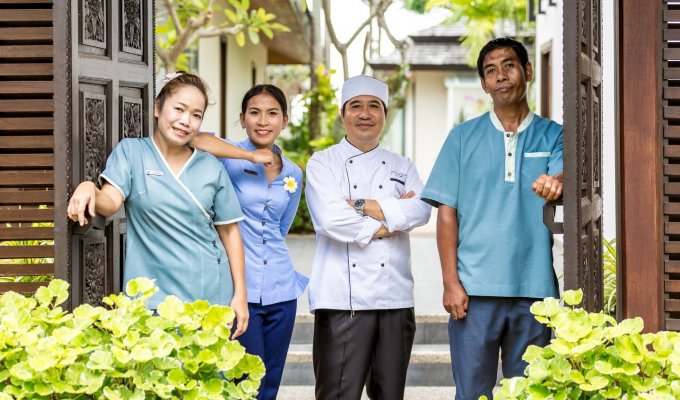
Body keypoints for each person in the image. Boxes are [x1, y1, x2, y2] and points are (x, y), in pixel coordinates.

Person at [421, 37, 564, 400]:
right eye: (490, 70)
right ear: (484, 84)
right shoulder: (462, 137)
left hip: (534, 291)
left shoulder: (554, 134)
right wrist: (450, 282)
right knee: (471, 394)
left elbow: (564, 176)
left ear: (527, 71)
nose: (500, 76)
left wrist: (555, 181)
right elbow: (446, 213)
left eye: (509, 65)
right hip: (474, 291)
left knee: (531, 393)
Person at [67, 72, 258, 339]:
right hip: (152, 292)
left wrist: (240, 294)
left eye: (196, 115)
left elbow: (229, 231)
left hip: (208, 289)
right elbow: (110, 203)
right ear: (158, 108)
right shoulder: (132, 152)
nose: (185, 121)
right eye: (179, 109)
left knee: (205, 376)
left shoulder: (211, 167)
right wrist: (89, 187)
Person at [305, 75, 432, 399]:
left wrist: (359, 205)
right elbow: (333, 220)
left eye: (374, 106)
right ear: (343, 114)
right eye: (356, 106)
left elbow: (421, 210)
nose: (365, 114)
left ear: (385, 114)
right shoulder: (323, 162)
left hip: (396, 300)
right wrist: (393, 219)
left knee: (390, 394)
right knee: (337, 394)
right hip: (341, 301)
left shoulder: (403, 164)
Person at [191, 84, 307, 400]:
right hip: (240, 291)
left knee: (270, 381)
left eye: (272, 113)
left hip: (283, 291)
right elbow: (194, 138)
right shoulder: (226, 159)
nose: (263, 121)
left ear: (285, 120)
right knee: (244, 383)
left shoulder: (294, 172)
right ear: (242, 118)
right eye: (254, 113)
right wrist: (249, 155)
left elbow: (280, 229)